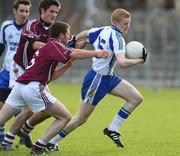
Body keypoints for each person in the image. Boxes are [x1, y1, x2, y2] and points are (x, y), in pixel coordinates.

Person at [43, 8, 147, 149]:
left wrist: (74, 39)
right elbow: (122, 63)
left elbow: (85, 34)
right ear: (115, 23)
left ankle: (112, 128)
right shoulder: (117, 38)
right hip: (96, 81)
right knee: (81, 118)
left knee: (136, 98)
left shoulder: (102, 30)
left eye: (129, 23)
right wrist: (140, 61)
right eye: (125, 23)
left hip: (109, 78)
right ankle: (50, 142)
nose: (128, 26)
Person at [0, 21, 108, 154]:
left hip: (19, 87)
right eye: (68, 34)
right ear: (61, 35)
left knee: (1, 118)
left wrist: (67, 65)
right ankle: (39, 146)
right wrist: (96, 53)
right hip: (32, 88)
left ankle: (21, 137)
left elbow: (51, 75)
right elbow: (74, 52)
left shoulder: (49, 47)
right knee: (64, 117)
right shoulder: (54, 45)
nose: (70, 36)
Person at [0, 0, 61, 150]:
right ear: (42, 10)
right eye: (51, 11)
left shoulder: (53, 29)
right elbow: (34, 44)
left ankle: (22, 131)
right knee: (18, 107)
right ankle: (12, 137)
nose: (53, 15)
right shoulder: (31, 25)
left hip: (33, 73)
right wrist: (55, 48)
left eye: (56, 12)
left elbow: (68, 42)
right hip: (18, 69)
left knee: (44, 108)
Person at [0, 0, 31, 144]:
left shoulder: (32, 28)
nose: (24, 14)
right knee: (1, 108)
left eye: (27, 11)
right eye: (22, 11)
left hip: (25, 75)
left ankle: (23, 134)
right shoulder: (6, 26)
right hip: (6, 73)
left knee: (22, 109)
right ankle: (3, 140)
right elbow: (1, 48)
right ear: (15, 11)